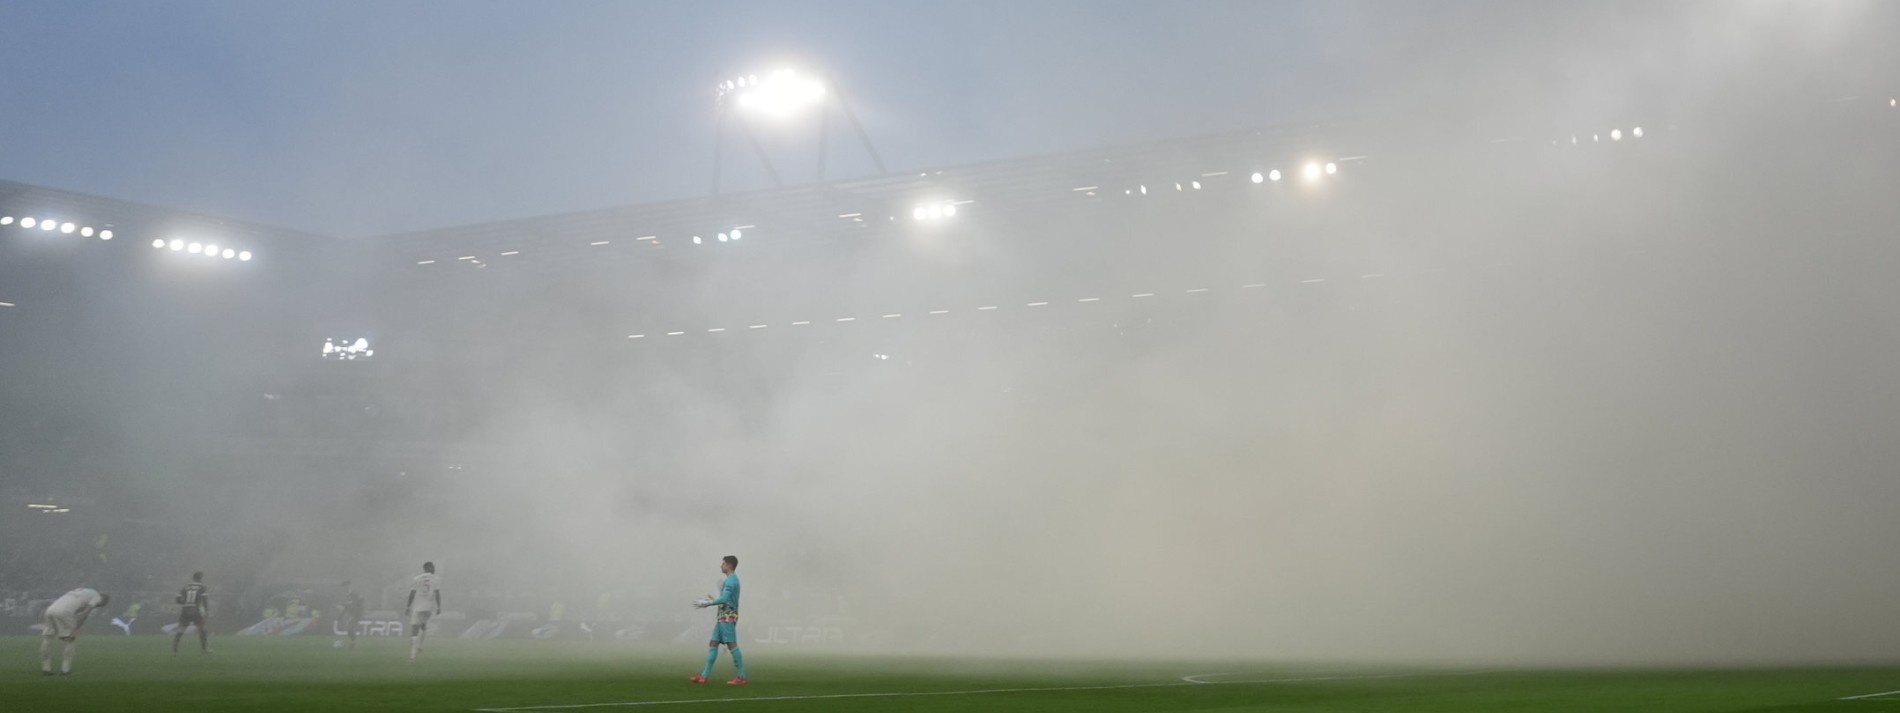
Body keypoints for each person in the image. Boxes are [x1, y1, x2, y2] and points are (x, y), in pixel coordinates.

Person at [689, 555, 746, 685]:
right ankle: (704, 676)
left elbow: (724, 598)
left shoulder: (731, 580)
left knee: (732, 645)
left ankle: (741, 677)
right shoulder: (729, 580)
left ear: (729, 565)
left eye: (723, 564)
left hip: (728, 617)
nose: (721, 566)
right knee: (713, 643)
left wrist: (708, 603)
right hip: (722, 617)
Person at [40, 587, 109, 675]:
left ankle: (46, 669)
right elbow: (85, 613)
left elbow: (76, 607)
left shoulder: (84, 591)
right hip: (64, 611)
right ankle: (65, 670)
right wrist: (75, 629)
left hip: (50, 609)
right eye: (100, 605)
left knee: (47, 638)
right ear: (102, 601)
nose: (97, 606)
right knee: (70, 640)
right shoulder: (97, 597)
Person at [407, 561, 442, 661]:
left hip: (418, 607)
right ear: (427, 568)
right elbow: (437, 593)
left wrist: (408, 606)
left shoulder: (417, 578)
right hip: (429, 607)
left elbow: (412, 593)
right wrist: (439, 606)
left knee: (414, 630)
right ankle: (420, 646)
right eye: (433, 567)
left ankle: (412, 657)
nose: (434, 569)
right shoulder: (436, 579)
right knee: (423, 625)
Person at [172, 571, 212, 654]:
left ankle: (174, 650)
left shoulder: (186, 587)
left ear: (193, 578)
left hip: (185, 609)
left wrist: (184, 602)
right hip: (195, 609)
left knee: (181, 629)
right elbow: (204, 599)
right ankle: (205, 650)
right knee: (202, 629)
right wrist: (207, 611)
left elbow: (178, 599)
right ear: (200, 578)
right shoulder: (202, 587)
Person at [337, 581, 365, 650]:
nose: (343, 588)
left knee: (350, 628)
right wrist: (341, 615)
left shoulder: (354, 593)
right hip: (352, 614)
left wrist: (353, 603)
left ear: (348, 586)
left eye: (344, 586)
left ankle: (353, 644)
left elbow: (361, 600)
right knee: (350, 629)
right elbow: (346, 606)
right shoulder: (348, 595)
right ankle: (353, 643)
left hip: (356, 614)